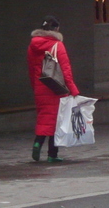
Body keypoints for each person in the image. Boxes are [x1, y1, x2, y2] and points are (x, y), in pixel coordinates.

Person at [27, 15, 80, 163]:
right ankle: (52, 154)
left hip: (40, 86)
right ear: (56, 29)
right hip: (56, 87)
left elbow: (31, 69)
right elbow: (66, 70)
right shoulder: (57, 45)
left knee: (44, 118)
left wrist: (35, 86)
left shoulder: (32, 46)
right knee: (57, 121)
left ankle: (37, 143)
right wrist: (73, 90)